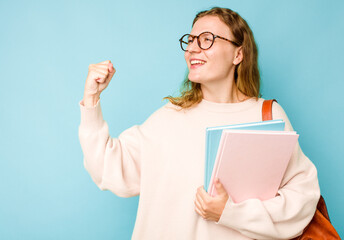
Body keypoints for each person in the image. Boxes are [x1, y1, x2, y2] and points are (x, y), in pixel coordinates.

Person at [79, 7, 320, 240]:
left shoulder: (266, 115)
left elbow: (302, 199)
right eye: (191, 40)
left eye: (207, 39)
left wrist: (230, 213)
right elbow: (108, 169)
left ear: (238, 54)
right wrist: (91, 99)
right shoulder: (169, 118)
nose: (192, 49)